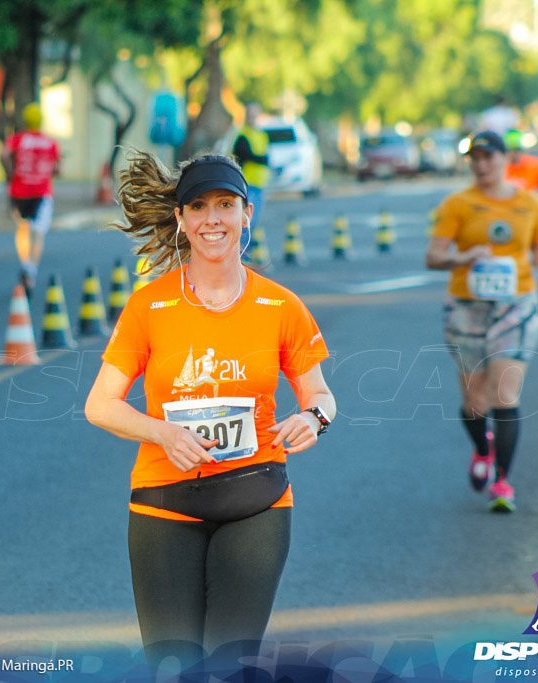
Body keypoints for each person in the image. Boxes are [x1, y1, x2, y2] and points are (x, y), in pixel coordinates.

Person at [84, 151, 336, 676]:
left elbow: (320, 394)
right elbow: (99, 405)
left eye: (225, 205)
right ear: (181, 219)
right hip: (164, 503)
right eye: (198, 206)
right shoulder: (149, 307)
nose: (212, 219)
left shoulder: (280, 306)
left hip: (257, 500)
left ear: (247, 213)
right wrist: (163, 433)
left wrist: (313, 419)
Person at [425, 131, 538, 513]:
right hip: (467, 305)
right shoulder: (458, 204)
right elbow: (434, 257)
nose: (480, 164)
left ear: (505, 159)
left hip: (515, 304)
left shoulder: (530, 203)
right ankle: (482, 449)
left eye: (487, 156)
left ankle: (502, 482)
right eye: (474, 158)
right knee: (474, 400)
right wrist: (465, 256)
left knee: (505, 394)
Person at [1, 102, 60, 297]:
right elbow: (57, 168)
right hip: (41, 192)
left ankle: (25, 263)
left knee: (22, 228)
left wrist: (10, 172)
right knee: (38, 234)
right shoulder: (50, 143)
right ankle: (32, 271)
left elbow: (4, 154)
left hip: (19, 190)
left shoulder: (17, 139)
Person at [231, 102, 270, 261]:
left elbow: (265, 157)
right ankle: (240, 254)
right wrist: (260, 159)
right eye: (250, 114)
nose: (252, 117)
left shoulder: (262, 136)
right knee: (245, 221)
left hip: (261, 183)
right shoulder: (243, 135)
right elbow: (243, 156)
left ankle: (246, 252)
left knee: (254, 221)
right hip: (247, 184)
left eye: (255, 114)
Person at [503, 129, 538, 197]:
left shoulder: (534, 164)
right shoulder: (499, 168)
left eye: (517, 150)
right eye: (511, 150)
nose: (514, 154)